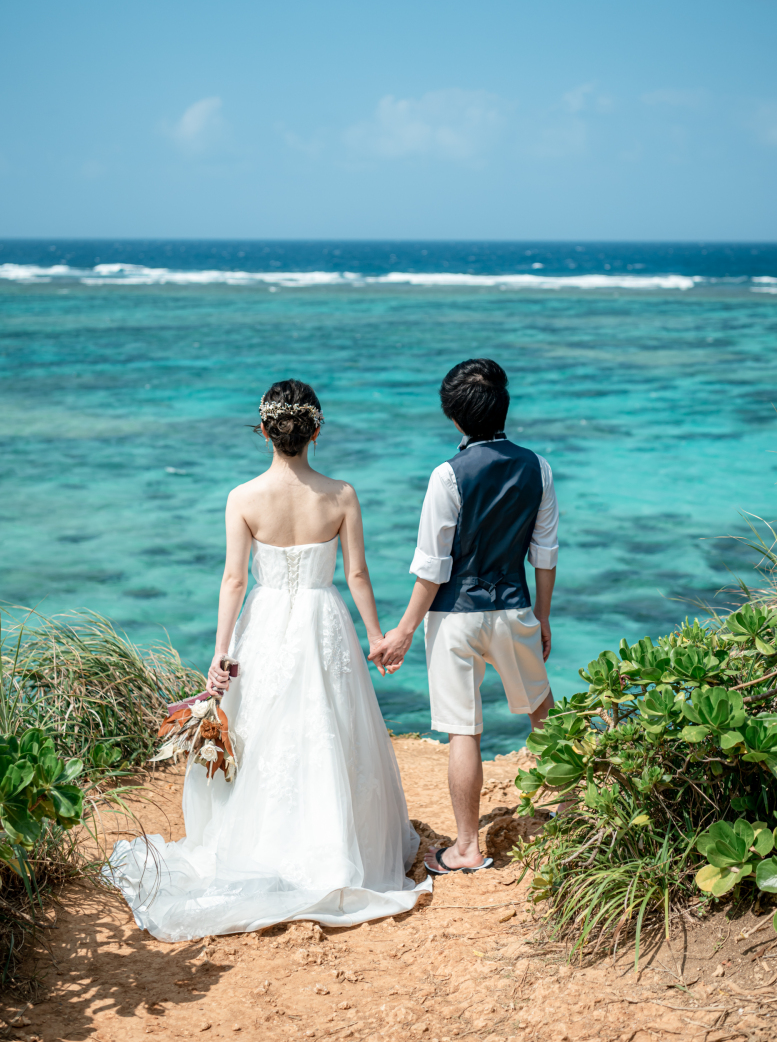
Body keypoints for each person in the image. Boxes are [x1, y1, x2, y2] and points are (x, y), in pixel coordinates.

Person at [107, 379, 430, 941]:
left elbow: (234, 579)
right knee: (328, 727)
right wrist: (377, 637)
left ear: (263, 430)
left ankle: (260, 843)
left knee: (264, 730)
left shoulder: (243, 497)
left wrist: (220, 653)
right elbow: (356, 575)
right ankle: (336, 842)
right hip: (323, 620)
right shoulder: (341, 494)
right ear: (316, 429)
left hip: (264, 623)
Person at [370, 359, 558, 875]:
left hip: (455, 617)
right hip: (515, 607)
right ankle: (573, 814)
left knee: (463, 732)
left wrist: (403, 632)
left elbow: (432, 568)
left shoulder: (447, 474)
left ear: (454, 418)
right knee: (543, 713)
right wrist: (542, 616)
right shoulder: (537, 466)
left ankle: (468, 848)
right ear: (504, 407)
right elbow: (545, 552)